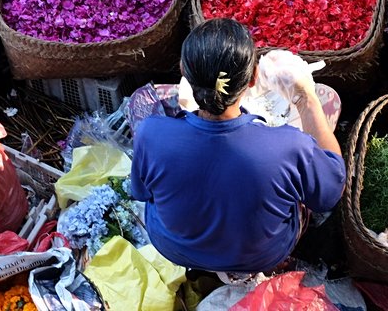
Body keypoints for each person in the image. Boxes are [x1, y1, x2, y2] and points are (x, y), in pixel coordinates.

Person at [130, 18, 346, 273]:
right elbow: (330, 194)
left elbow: (142, 193)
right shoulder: (290, 147)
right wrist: (305, 98)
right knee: (325, 109)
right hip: (261, 256)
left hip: (175, 247)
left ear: (183, 72)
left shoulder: (151, 134)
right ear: (254, 77)